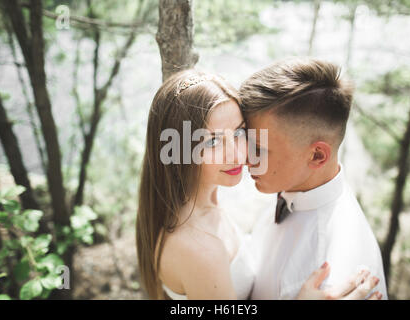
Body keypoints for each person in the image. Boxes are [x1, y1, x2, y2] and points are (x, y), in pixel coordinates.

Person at [135, 68, 382, 300]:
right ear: (177, 150)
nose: (237, 154)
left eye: (239, 132)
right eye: (211, 142)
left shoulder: (206, 203)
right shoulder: (200, 249)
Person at [239, 58, 388, 300]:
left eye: (260, 149)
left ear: (317, 155)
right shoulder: (293, 185)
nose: (246, 158)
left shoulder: (341, 275)